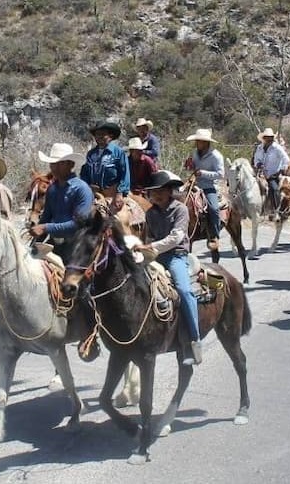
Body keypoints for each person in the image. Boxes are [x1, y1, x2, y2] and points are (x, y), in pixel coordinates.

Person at [133, 170, 202, 366]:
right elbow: (149, 237)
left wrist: (151, 246)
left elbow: (177, 237)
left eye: (161, 190)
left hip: (176, 256)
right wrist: (143, 250)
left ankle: (194, 340)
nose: (157, 195)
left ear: (170, 191)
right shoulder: (151, 213)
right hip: (155, 256)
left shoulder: (180, 209)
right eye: (153, 192)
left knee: (184, 290)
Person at [29, 142, 93, 260]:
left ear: (71, 164)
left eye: (60, 163)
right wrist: (36, 234)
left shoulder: (82, 189)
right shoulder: (52, 189)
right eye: (53, 163)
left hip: (76, 245)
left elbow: (78, 224)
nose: (55, 167)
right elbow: (46, 216)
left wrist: (45, 228)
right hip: (54, 242)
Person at [184, 128, 224, 251]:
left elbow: (220, 174)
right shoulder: (195, 153)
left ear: (206, 142)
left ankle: (214, 236)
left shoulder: (216, 156)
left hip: (210, 186)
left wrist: (203, 173)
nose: (197, 143)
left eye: (199, 141)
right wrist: (189, 166)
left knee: (214, 208)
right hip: (195, 184)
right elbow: (192, 168)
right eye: (197, 141)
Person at [81, 121, 130, 212]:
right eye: (97, 134)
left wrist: (120, 193)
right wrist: (87, 186)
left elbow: (124, 173)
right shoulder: (91, 154)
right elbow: (85, 172)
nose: (99, 137)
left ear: (110, 136)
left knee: (118, 221)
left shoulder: (118, 152)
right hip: (94, 194)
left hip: (113, 194)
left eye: (102, 134)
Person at [253, 127, 290, 219]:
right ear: (264, 138)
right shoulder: (259, 148)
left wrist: (281, 170)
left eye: (270, 137)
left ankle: (277, 211)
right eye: (267, 137)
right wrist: (258, 164)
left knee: (275, 189)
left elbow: (286, 159)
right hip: (261, 173)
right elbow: (256, 159)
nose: (269, 139)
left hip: (273, 175)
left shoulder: (277, 148)